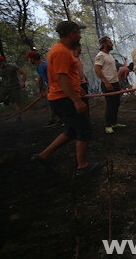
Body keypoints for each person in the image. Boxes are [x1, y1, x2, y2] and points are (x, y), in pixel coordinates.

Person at [32, 20, 103, 177]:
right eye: (78, 33)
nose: (80, 37)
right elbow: (61, 78)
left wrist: (78, 91)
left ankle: (43, 156)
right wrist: (76, 100)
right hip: (63, 99)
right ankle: (82, 166)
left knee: (73, 130)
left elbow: (67, 77)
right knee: (84, 129)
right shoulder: (61, 52)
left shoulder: (60, 50)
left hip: (63, 97)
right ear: (72, 34)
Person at [94, 36, 126, 134]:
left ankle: (114, 123)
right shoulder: (100, 55)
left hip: (115, 82)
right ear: (104, 44)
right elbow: (97, 69)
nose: (112, 44)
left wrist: (118, 83)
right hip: (108, 84)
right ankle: (108, 125)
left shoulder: (109, 55)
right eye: (110, 42)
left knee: (116, 103)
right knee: (110, 104)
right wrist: (106, 82)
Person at [24, 50, 58, 126]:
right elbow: (40, 79)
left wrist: (48, 88)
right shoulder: (39, 67)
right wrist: (39, 89)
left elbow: (53, 77)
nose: (28, 60)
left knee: (56, 103)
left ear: (33, 59)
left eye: (29, 58)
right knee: (52, 103)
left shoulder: (46, 66)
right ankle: (54, 120)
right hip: (51, 87)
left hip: (55, 87)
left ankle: (58, 120)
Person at [0, 55, 27, 122]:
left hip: (15, 86)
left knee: (17, 102)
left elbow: (23, 73)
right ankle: (7, 99)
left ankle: (19, 117)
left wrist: (23, 82)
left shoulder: (12, 66)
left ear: (2, 61)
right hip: (4, 87)